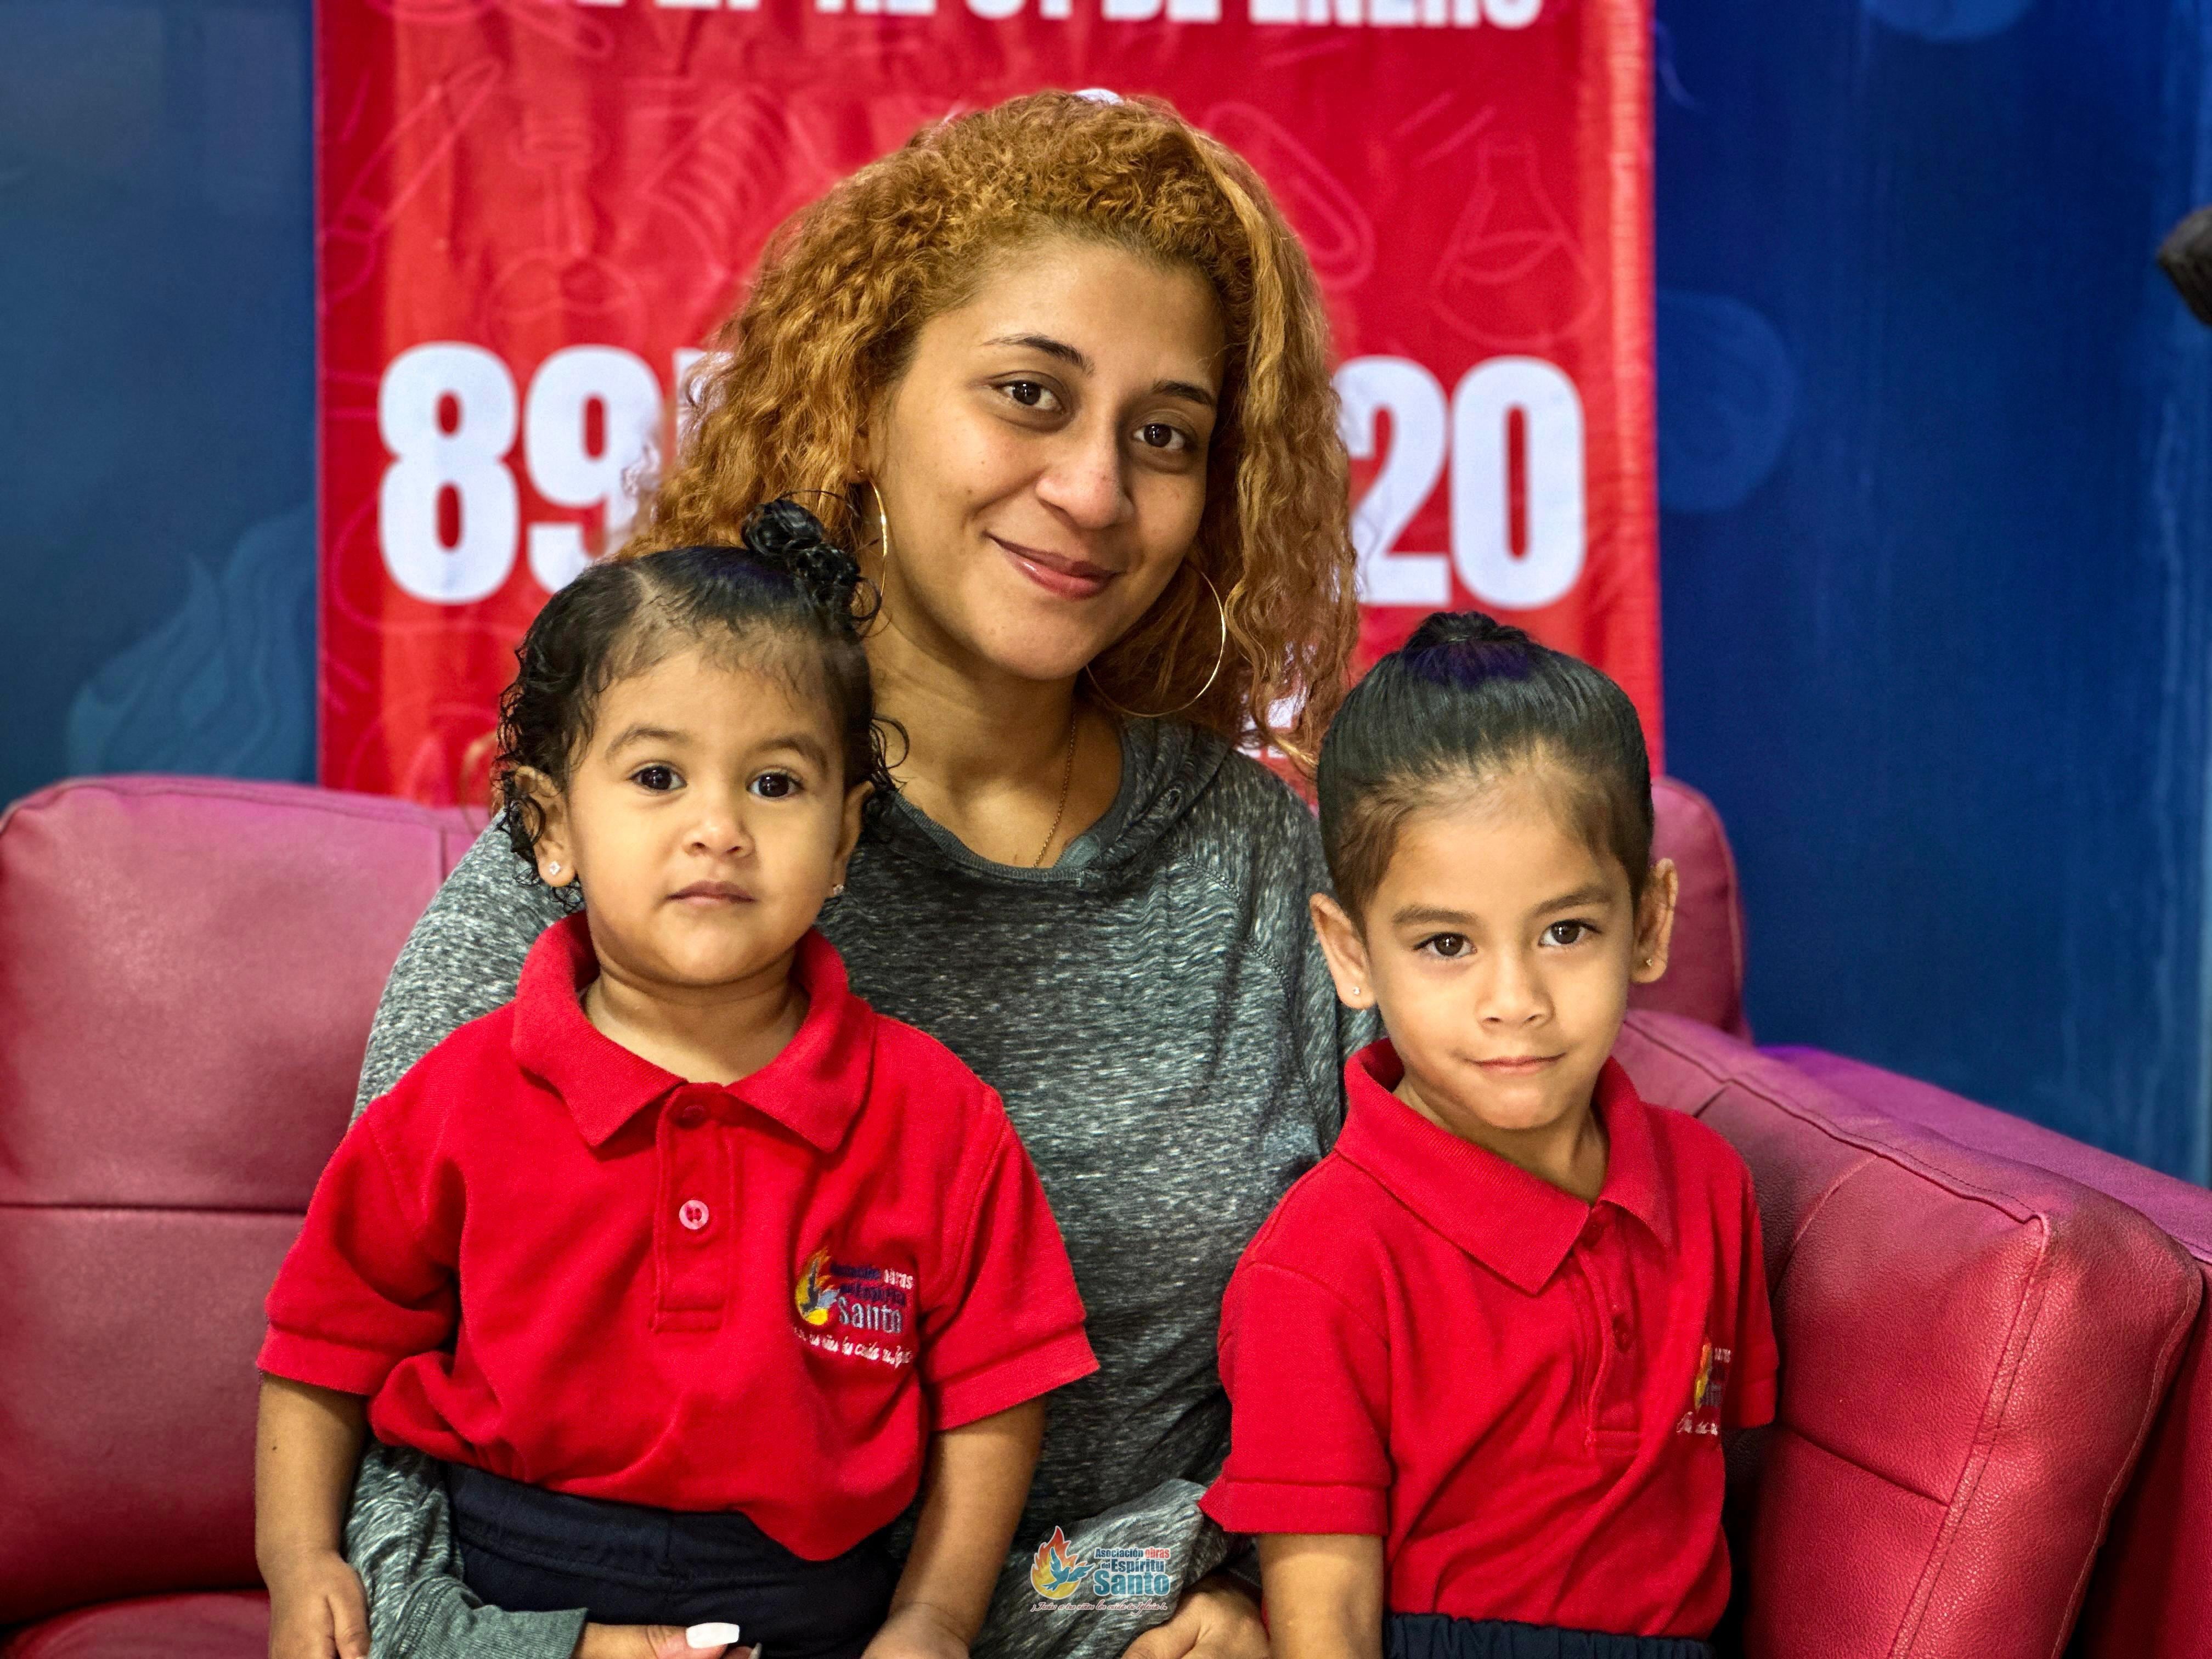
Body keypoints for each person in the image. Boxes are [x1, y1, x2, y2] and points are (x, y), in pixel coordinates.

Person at [330, 91, 1364, 1659]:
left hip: (1098, 1610)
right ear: (865, 394)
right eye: (1029, 395)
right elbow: (368, 1382)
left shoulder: (1268, 876)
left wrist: (1227, 1592)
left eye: (1165, 436)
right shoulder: (641, 843)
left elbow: (1409, 1327)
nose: (1092, 491)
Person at [257, 504, 1098, 1659]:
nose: (718, 828)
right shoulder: (458, 1097)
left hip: (818, 1611)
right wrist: (298, 1560)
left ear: (847, 840)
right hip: (509, 1596)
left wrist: (937, 1617)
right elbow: (320, 1349)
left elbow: (998, 1394)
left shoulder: (938, 1116)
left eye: (776, 784)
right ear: (552, 826)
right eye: (658, 775)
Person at [1200, 614, 1778, 1659]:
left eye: (1567, 932)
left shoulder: (1709, 1187)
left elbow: (1716, 1486)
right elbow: (1322, 1619)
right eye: (1446, 945)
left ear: (1649, 924)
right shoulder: (1323, 1266)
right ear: (1351, 952)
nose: (1515, 1001)